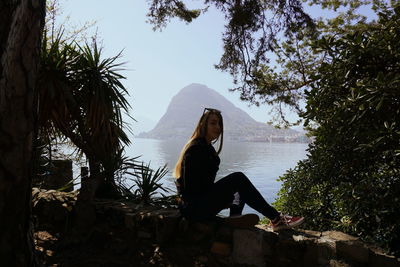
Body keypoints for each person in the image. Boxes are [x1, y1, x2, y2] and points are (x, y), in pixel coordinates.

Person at [174, 108, 304, 231]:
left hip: (197, 205)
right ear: (203, 124)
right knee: (238, 178)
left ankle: (235, 218)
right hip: (194, 209)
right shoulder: (196, 148)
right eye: (213, 123)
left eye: (219, 124)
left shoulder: (206, 148)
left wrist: (223, 196)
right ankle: (276, 218)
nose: (218, 127)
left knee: (238, 187)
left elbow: (203, 186)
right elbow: (192, 188)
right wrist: (223, 198)